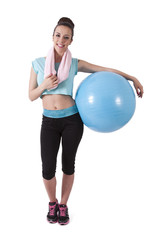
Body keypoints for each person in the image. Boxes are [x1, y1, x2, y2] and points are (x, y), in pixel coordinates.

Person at [29, 17, 144, 225]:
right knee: (47, 169)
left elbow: (104, 70)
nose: (61, 40)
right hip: (49, 122)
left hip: (72, 120)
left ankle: (63, 205)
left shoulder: (74, 64)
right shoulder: (38, 63)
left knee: (68, 166)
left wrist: (132, 78)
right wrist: (44, 83)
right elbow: (31, 95)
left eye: (66, 37)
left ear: (71, 40)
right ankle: (52, 202)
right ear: (52, 36)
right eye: (58, 35)